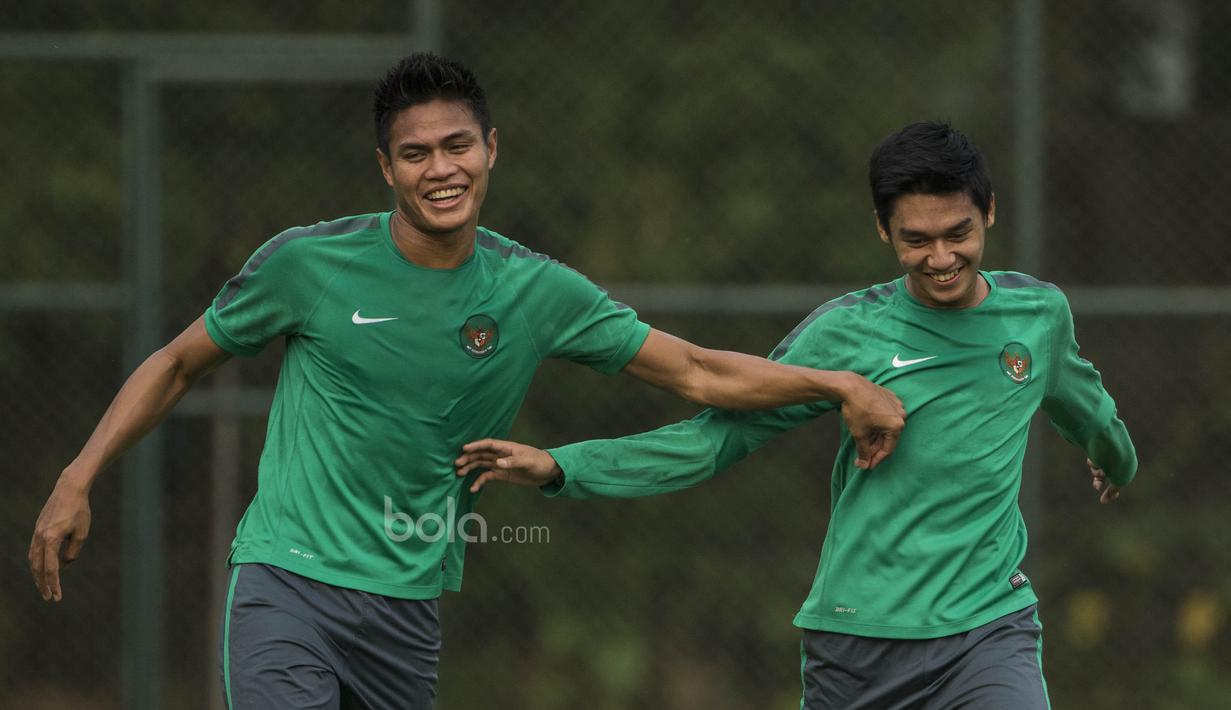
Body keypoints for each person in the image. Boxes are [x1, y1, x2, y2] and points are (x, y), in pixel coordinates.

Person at [26, 53, 905, 709]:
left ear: (490, 149)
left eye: (456, 146)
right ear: (385, 168)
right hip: (285, 581)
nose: (438, 168)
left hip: (408, 606)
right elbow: (178, 362)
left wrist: (832, 384)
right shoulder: (306, 265)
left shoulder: (535, 291)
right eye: (415, 154)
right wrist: (78, 476)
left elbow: (698, 372)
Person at [455, 121, 1138, 709]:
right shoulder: (844, 336)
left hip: (990, 626)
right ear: (882, 230)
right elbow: (711, 443)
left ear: (988, 210)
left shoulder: (1036, 316)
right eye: (915, 240)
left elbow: (1086, 407)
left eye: (956, 233)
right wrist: (561, 467)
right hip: (859, 641)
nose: (939, 258)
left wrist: (1115, 459)